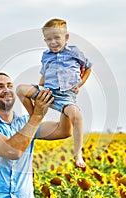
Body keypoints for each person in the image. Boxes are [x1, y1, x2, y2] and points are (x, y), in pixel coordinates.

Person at [0, 72, 73, 198]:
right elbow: (12, 151)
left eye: (10, 86)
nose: (6, 90)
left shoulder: (26, 122)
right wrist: (37, 115)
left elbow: (64, 130)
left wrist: (66, 99)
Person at [16, 18, 92, 168]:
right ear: (45, 40)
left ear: (66, 37)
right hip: (48, 92)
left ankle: (78, 154)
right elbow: (44, 74)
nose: (53, 42)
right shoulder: (46, 55)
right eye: (49, 39)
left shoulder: (75, 52)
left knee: (76, 116)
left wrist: (80, 83)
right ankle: (34, 117)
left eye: (57, 38)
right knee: (20, 90)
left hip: (66, 96)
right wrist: (39, 88)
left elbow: (88, 67)